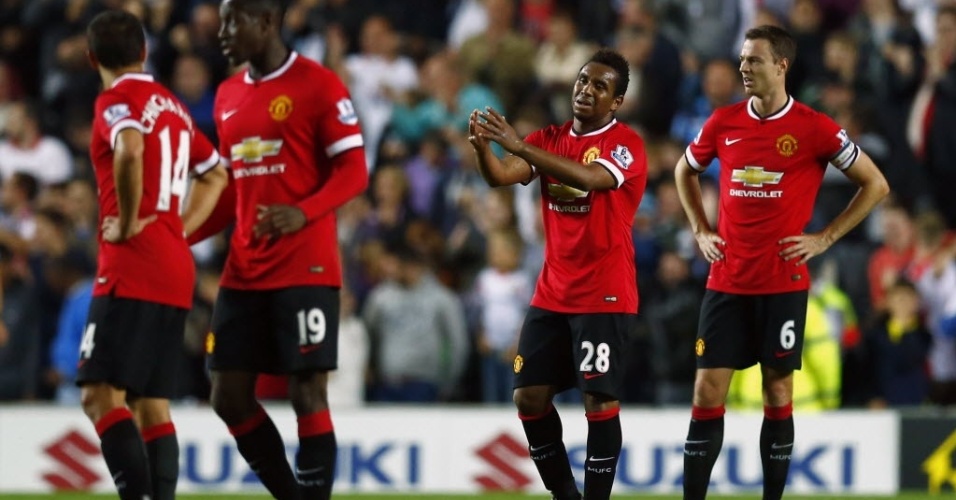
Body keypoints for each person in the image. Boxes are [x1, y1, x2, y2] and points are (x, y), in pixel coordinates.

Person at [673, 25, 889, 500]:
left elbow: (875, 184)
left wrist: (825, 238)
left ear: (781, 65)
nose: (744, 67)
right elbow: (684, 170)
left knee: (777, 392)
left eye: (754, 59)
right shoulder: (723, 121)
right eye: (742, 59)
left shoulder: (815, 127)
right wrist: (700, 229)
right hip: (727, 280)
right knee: (706, 392)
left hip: (782, 281)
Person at [190, 1, 369, 498]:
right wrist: (178, 235)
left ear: (267, 22)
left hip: (305, 266)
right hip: (244, 269)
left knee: (307, 391)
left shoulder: (319, 84)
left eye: (233, 21)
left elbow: (354, 170)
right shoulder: (227, 94)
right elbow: (230, 190)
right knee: (227, 395)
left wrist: (303, 212)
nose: (222, 32)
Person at [469, 48, 647, 500]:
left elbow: (590, 179)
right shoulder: (548, 138)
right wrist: (483, 149)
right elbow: (500, 176)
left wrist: (520, 146)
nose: (586, 90)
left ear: (617, 102)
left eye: (600, 86)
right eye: (583, 80)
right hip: (553, 293)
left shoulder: (625, 144)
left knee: (598, 400)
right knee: (528, 397)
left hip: (604, 293)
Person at [79, 10, 228, 500]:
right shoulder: (173, 107)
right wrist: (177, 229)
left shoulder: (115, 101)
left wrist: (126, 221)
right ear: (144, 52)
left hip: (132, 263)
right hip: (173, 265)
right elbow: (216, 174)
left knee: (99, 394)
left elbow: (128, 148)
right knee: (151, 405)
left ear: (91, 58)